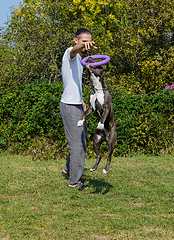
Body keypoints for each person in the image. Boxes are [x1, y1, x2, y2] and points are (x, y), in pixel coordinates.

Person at [60, 28, 97, 189]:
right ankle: (74, 182)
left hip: (77, 104)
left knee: (81, 140)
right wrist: (80, 47)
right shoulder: (70, 53)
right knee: (78, 146)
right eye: (83, 41)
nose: (86, 44)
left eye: (88, 41)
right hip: (69, 105)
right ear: (76, 40)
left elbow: (74, 82)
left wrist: (81, 99)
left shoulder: (80, 60)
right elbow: (74, 50)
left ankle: (68, 169)